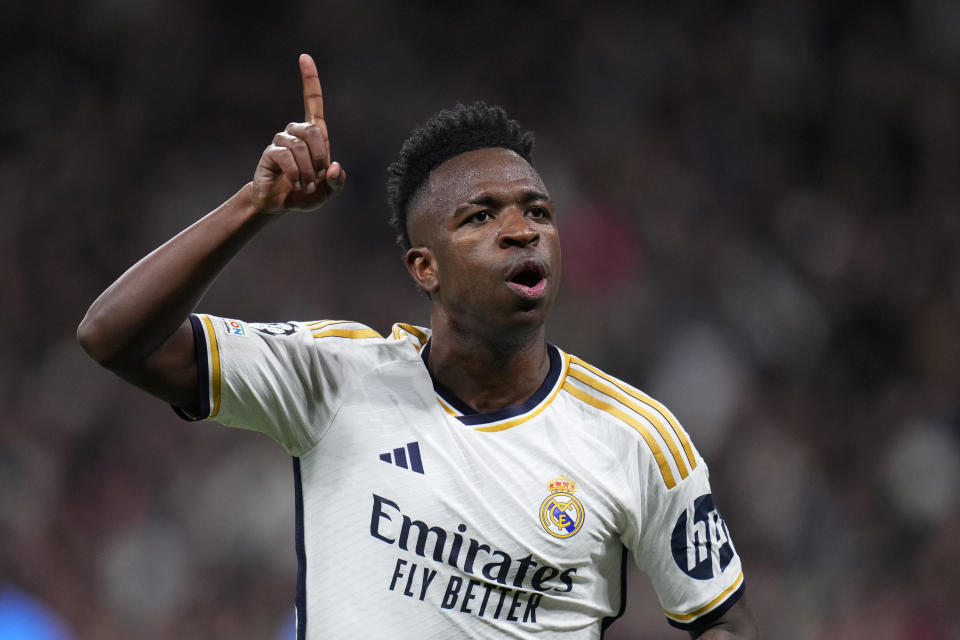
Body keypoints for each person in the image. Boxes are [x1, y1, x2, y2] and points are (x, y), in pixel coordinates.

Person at [77, 54, 759, 639]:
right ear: (423, 267)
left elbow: (718, 619)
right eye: (481, 215)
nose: (522, 230)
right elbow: (115, 337)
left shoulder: (637, 440)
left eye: (539, 212)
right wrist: (254, 208)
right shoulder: (336, 377)